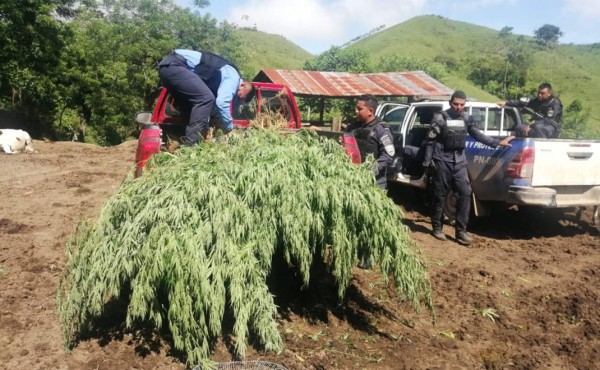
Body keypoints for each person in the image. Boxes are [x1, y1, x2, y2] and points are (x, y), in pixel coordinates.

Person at [423, 91, 514, 246]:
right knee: (440, 195)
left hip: (459, 161)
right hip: (442, 160)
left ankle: (461, 232)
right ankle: (437, 228)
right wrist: (427, 163)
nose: (459, 107)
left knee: (465, 193)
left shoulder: (466, 118)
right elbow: (430, 141)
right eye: (456, 104)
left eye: (462, 104)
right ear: (450, 103)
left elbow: (477, 135)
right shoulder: (440, 118)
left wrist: (497, 142)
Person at [157, 49, 254, 146]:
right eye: (242, 97)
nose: (239, 99)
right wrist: (230, 127)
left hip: (167, 67)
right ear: (244, 86)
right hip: (175, 65)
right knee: (206, 98)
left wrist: (206, 128)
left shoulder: (217, 82)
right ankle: (190, 147)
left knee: (190, 108)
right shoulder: (234, 78)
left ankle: (187, 143)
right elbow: (222, 103)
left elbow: (202, 112)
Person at [345, 94, 395, 190]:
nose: (356, 111)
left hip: (374, 181)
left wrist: (369, 171)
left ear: (370, 111)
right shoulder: (352, 127)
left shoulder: (381, 130)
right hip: (352, 178)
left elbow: (388, 155)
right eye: (356, 108)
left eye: (359, 109)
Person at [497, 82, 563, 138]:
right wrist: (507, 102)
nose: (540, 95)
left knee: (539, 128)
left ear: (549, 93)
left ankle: (542, 148)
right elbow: (521, 102)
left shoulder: (554, 103)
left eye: (543, 93)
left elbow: (549, 119)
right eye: (539, 93)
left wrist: (531, 126)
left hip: (551, 127)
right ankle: (522, 149)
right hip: (536, 125)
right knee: (519, 128)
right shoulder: (537, 101)